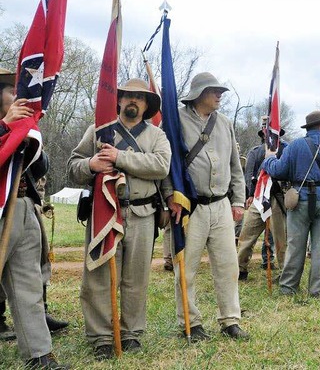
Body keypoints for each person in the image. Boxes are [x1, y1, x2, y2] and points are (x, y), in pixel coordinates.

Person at [68, 78, 171, 360]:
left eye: (139, 98)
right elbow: (72, 166)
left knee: (136, 278)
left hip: (142, 213)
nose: (132, 101)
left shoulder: (157, 136)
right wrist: (91, 164)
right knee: (98, 276)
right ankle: (101, 336)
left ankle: (131, 333)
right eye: (127, 96)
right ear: (119, 99)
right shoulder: (99, 130)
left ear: (147, 104)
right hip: (103, 211)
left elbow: (161, 166)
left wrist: (120, 157)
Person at [162, 72, 248, 342]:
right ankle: (191, 322)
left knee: (228, 265)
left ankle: (230, 320)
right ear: (200, 93)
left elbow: (235, 165)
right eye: (215, 91)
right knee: (185, 269)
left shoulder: (223, 123)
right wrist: (169, 196)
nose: (219, 95)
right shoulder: (175, 121)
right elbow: (168, 165)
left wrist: (237, 200)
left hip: (221, 204)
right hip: (190, 206)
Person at [1, 68, 69, 368]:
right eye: (9, 90)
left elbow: (40, 169)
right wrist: (4, 128)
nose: (17, 95)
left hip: (25, 208)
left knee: (28, 284)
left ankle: (39, 355)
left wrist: (28, 135)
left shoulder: (23, 128)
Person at [262, 110, 320, 297]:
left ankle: (288, 289)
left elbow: (279, 171)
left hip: (300, 200)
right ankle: (316, 291)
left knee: (296, 246)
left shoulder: (295, 146)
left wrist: (268, 160)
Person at [237, 121, 287, 280]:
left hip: (277, 198)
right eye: (267, 132)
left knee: (281, 239)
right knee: (246, 236)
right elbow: (249, 174)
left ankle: (285, 274)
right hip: (258, 197)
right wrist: (250, 195)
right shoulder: (255, 152)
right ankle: (240, 269)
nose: (269, 135)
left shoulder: (286, 150)